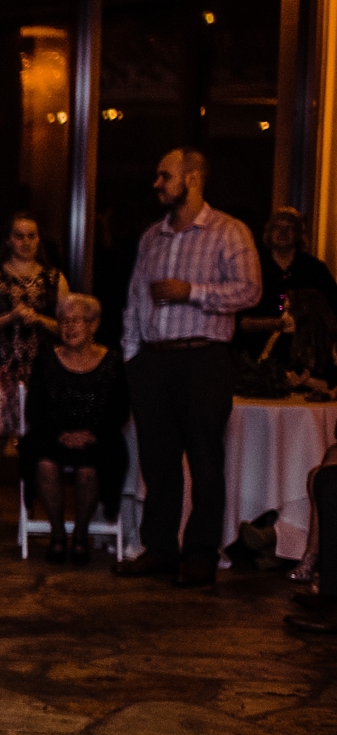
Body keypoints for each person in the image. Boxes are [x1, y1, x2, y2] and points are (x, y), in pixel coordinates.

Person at [116, 149, 261, 589]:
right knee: (157, 463)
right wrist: (131, 358)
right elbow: (135, 299)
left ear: (192, 179)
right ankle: (159, 549)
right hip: (154, 361)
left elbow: (251, 290)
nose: (156, 184)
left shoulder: (229, 232)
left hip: (203, 358)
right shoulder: (151, 238)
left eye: (165, 176)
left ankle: (200, 556)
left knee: (204, 460)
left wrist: (191, 291)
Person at [0, 213, 67, 538]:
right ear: (8, 239)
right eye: (19, 236)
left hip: (40, 374)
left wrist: (39, 320)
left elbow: (69, 328)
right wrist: (8, 317)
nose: (26, 243)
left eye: (31, 236)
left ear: (40, 239)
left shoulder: (54, 279)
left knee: (38, 444)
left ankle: (35, 515)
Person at [19, 294, 128, 565]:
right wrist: (61, 434)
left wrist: (92, 435)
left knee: (88, 469)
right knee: (44, 463)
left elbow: (119, 411)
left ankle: (80, 537)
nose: (68, 327)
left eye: (76, 321)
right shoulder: (46, 361)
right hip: (52, 434)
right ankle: (58, 535)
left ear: (93, 325)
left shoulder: (113, 361)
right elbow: (34, 411)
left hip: (98, 436)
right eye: (64, 321)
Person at [236, 205, 337, 360]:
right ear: (269, 232)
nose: (283, 232)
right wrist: (268, 323)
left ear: (298, 234)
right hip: (257, 355)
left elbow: (332, 309)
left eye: (290, 227)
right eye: (278, 227)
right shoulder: (252, 267)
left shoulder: (315, 269)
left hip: (304, 356)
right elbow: (237, 317)